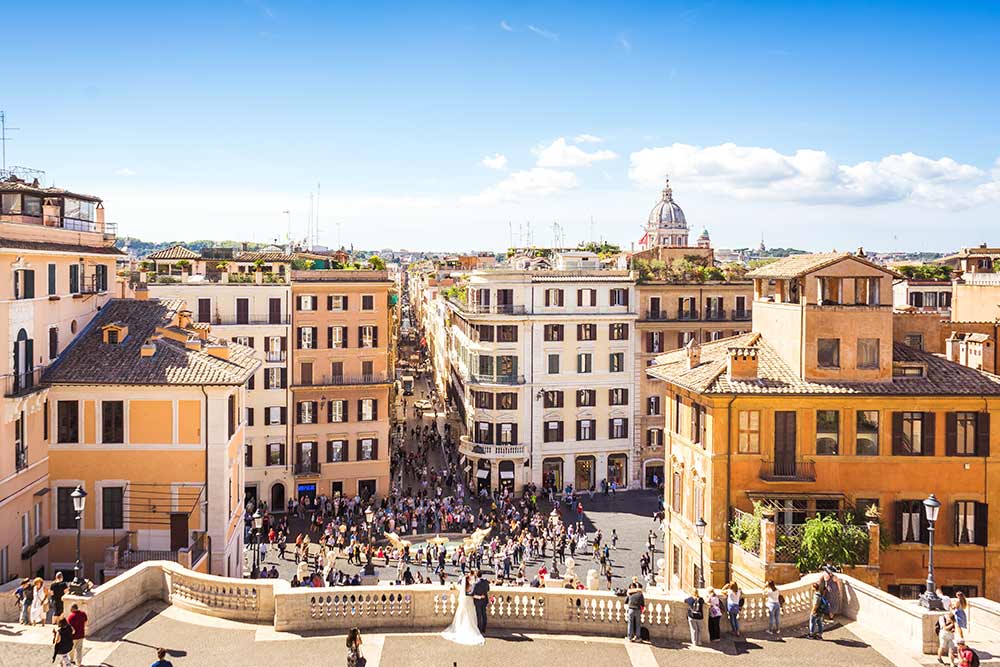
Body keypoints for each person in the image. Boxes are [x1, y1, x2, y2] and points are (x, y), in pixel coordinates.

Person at [441, 574, 485, 646]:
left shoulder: (464, 587)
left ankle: (461, 626)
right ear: (468, 580)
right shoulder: (471, 586)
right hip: (469, 601)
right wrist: (480, 597)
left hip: (464, 601)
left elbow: (464, 592)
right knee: (469, 615)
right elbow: (472, 595)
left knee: (462, 614)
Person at [67, 603, 88, 667]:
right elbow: (86, 622)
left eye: (70, 608)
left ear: (73, 608)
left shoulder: (71, 617)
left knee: (71, 649)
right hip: (81, 634)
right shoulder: (83, 614)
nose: (70, 609)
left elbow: (69, 627)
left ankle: (71, 659)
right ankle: (78, 663)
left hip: (73, 636)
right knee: (79, 649)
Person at [471, 570, 490, 634]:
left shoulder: (475, 584)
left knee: (479, 615)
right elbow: (488, 589)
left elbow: (472, 594)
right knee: (484, 615)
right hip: (484, 600)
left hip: (478, 601)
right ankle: (484, 629)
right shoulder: (486, 582)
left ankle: (479, 629)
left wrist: (479, 596)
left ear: (476, 575)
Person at [626, 577, 644, 642]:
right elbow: (642, 603)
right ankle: (637, 637)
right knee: (638, 624)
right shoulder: (640, 594)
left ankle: (629, 637)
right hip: (638, 609)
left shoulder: (630, 593)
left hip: (631, 609)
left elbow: (626, 601)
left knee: (630, 624)